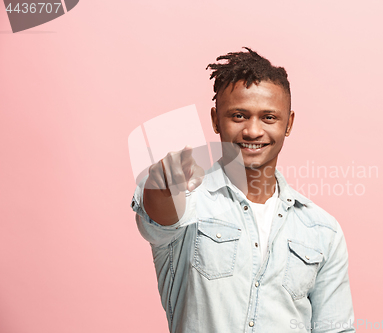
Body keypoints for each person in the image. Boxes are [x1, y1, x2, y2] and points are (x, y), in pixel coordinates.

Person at [130, 47, 355, 332]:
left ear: (289, 123)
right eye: (238, 116)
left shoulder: (323, 231)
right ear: (215, 120)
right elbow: (159, 214)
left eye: (269, 118)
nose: (252, 131)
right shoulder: (188, 201)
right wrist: (161, 183)